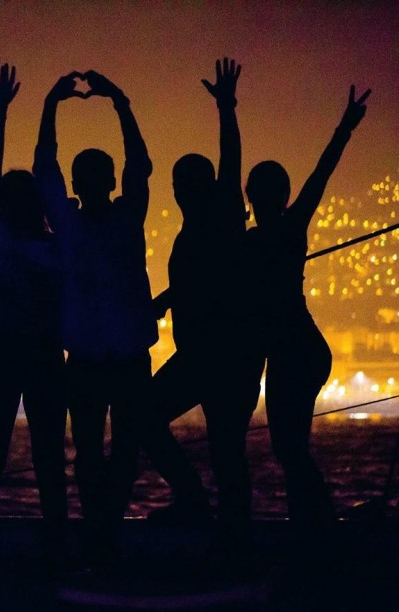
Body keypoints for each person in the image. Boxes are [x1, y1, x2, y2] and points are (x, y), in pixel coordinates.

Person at [143, 59, 265, 539]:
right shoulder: (199, 229)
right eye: (177, 185)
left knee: (222, 445)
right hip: (203, 354)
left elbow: (231, 157)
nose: (178, 192)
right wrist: (168, 298)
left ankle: (223, 524)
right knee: (212, 442)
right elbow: (206, 277)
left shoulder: (223, 213)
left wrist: (227, 108)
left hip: (221, 355)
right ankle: (206, 509)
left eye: (184, 184)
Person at [33, 70, 156, 539]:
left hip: (95, 360)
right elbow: (138, 165)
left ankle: (99, 532)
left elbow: (47, 167)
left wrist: (52, 103)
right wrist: (119, 101)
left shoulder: (72, 223)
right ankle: (105, 531)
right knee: (115, 449)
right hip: (111, 360)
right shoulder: (125, 217)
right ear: (105, 181)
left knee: (98, 450)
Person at [245, 85, 371, 531]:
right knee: (291, 447)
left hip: (291, 353)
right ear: (282, 195)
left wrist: (344, 130)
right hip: (301, 349)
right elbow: (319, 176)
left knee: (289, 448)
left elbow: (320, 176)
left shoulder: (252, 242)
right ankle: (315, 524)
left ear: (250, 196)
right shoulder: (287, 229)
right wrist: (343, 128)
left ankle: (317, 527)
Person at [0, 64, 70, 567]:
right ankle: (57, 545)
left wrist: (0, 112)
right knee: (48, 454)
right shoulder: (56, 248)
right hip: (42, 352)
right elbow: (11, 171)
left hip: (6, 348)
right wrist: (4, 112)